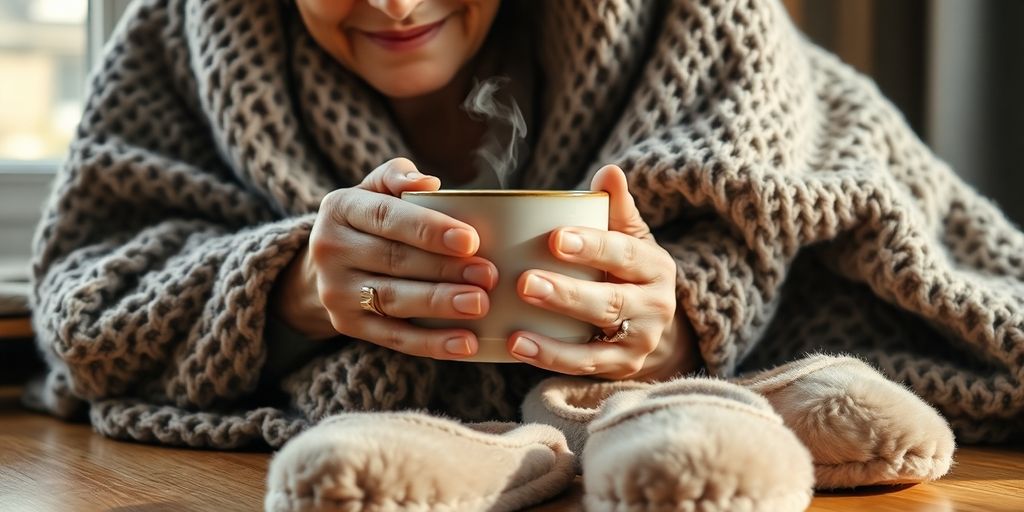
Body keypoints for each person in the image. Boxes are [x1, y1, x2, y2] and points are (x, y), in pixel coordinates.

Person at [28, 0, 1022, 459]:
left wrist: (675, 329)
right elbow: (90, 297)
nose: (393, 2)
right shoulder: (180, 38)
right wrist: (289, 288)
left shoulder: (696, 24)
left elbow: (835, 231)